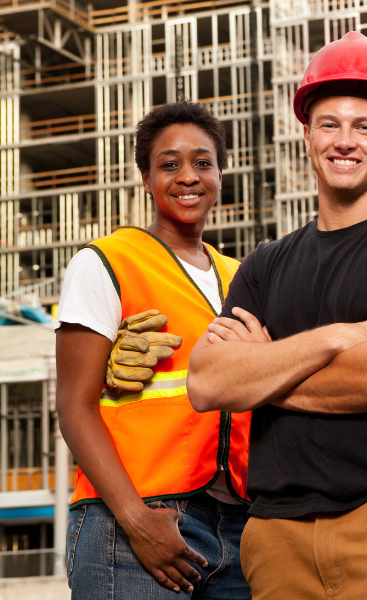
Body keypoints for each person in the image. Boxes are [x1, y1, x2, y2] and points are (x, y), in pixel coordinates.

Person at [186, 32, 367, 600]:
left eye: (364, 127)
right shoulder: (264, 266)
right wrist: (342, 337)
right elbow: (208, 382)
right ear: (307, 137)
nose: (345, 142)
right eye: (329, 124)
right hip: (274, 540)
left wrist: (264, 371)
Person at [56, 102, 252, 599]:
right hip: (132, 518)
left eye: (203, 162)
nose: (188, 176)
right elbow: (74, 406)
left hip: (235, 524)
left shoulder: (241, 277)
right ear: (145, 177)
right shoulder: (107, 262)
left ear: (220, 173)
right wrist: (136, 520)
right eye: (169, 164)